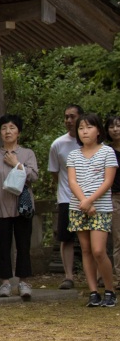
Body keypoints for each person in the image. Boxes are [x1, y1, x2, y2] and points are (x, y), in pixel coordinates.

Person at [66, 113, 117, 307]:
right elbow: (72, 181)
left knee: (98, 250)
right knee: (85, 250)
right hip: (78, 207)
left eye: (89, 127)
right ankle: (93, 291)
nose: (84, 131)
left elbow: (108, 181)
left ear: (98, 131)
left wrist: (91, 201)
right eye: (81, 128)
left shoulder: (107, 152)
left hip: (101, 208)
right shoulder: (73, 155)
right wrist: (84, 202)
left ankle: (110, 290)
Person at [0, 114, 39, 300]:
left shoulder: (27, 154)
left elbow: (33, 176)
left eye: (12, 128)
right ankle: (5, 283)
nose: (8, 132)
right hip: (0, 206)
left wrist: (16, 164)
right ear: (0, 132)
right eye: (4, 128)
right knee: (3, 246)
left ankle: (24, 282)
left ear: (19, 132)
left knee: (23, 245)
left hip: (22, 207)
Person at [48, 104, 83, 289]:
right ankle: (69, 276)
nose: (69, 121)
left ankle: (98, 274)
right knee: (66, 238)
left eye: (73, 117)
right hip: (66, 198)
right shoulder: (58, 144)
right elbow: (55, 172)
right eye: (66, 117)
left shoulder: (91, 142)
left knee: (91, 239)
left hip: (90, 198)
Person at [106, 115, 120, 282]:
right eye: (111, 126)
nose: (115, 129)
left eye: (118, 125)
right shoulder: (106, 151)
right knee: (118, 238)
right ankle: (118, 278)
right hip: (114, 197)